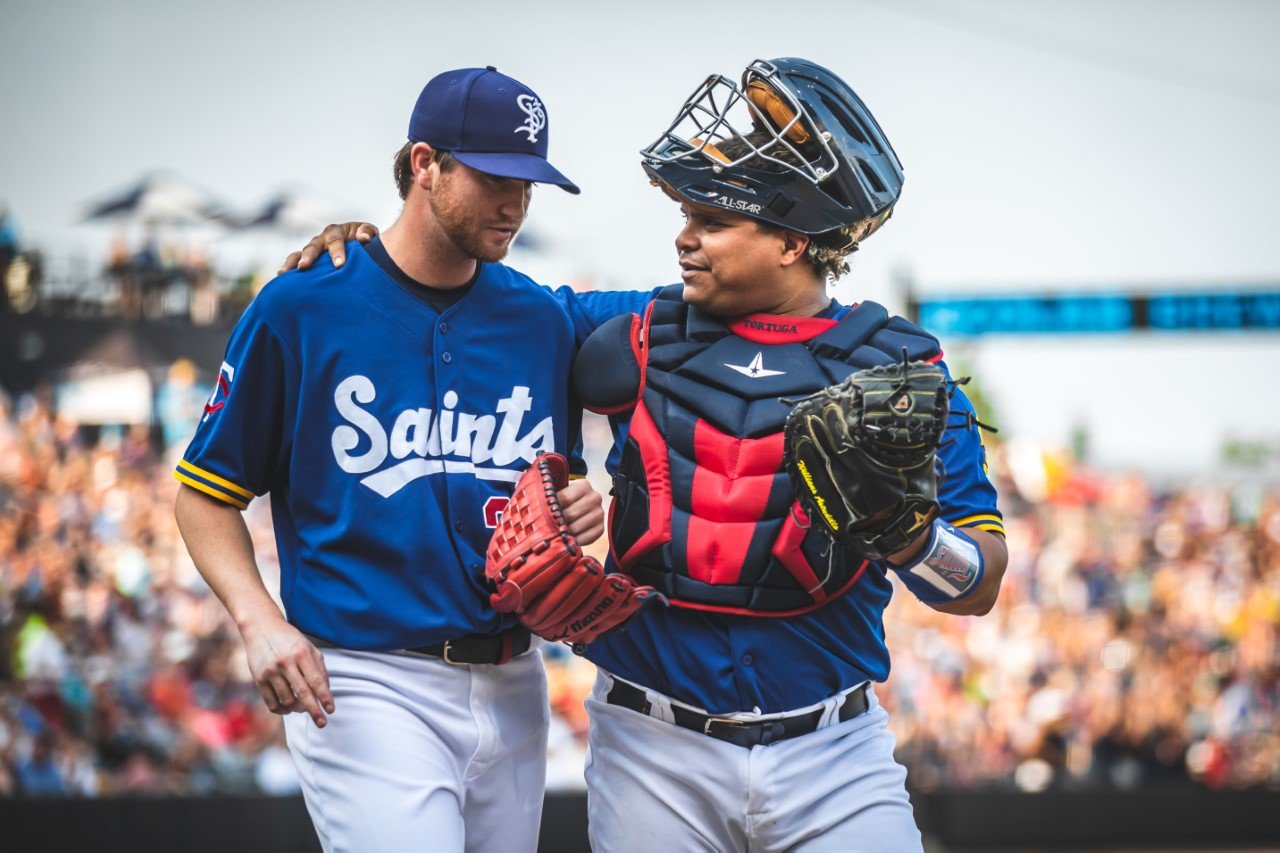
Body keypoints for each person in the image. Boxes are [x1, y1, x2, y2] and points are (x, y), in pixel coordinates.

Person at [289, 57, 1008, 852]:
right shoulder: (628, 332)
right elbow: (458, 296)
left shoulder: (902, 373)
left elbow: (976, 581)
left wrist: (910, 540)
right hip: (652, 748)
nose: (683, 236)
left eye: (712, 219)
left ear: (793, 242)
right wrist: (370, 252)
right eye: (686, 212)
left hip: (834, 751)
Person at [173, 66, 604, 853]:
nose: (516, 201)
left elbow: (552, 488)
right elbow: (204, 494)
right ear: (424, 164)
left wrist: (575, 507)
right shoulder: (303, 305)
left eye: (530, 182)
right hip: (366, 682)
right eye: (494, 176)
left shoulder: (541, 319)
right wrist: (260, 621)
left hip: (514, 681)